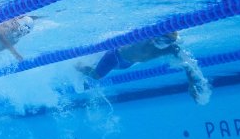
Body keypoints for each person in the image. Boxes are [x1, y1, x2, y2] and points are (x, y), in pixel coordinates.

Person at [80, 32, 211, 105]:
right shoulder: (146, 37)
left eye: (167, 42)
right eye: (163, 40)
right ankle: (77, 66)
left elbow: (189, 64)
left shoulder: (170, 48)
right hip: (113, 56)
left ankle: (88, 65)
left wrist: (192, 82)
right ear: (157, 37)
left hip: (127, 64)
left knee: (96, 68)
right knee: (96, 76)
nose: (164, 44)